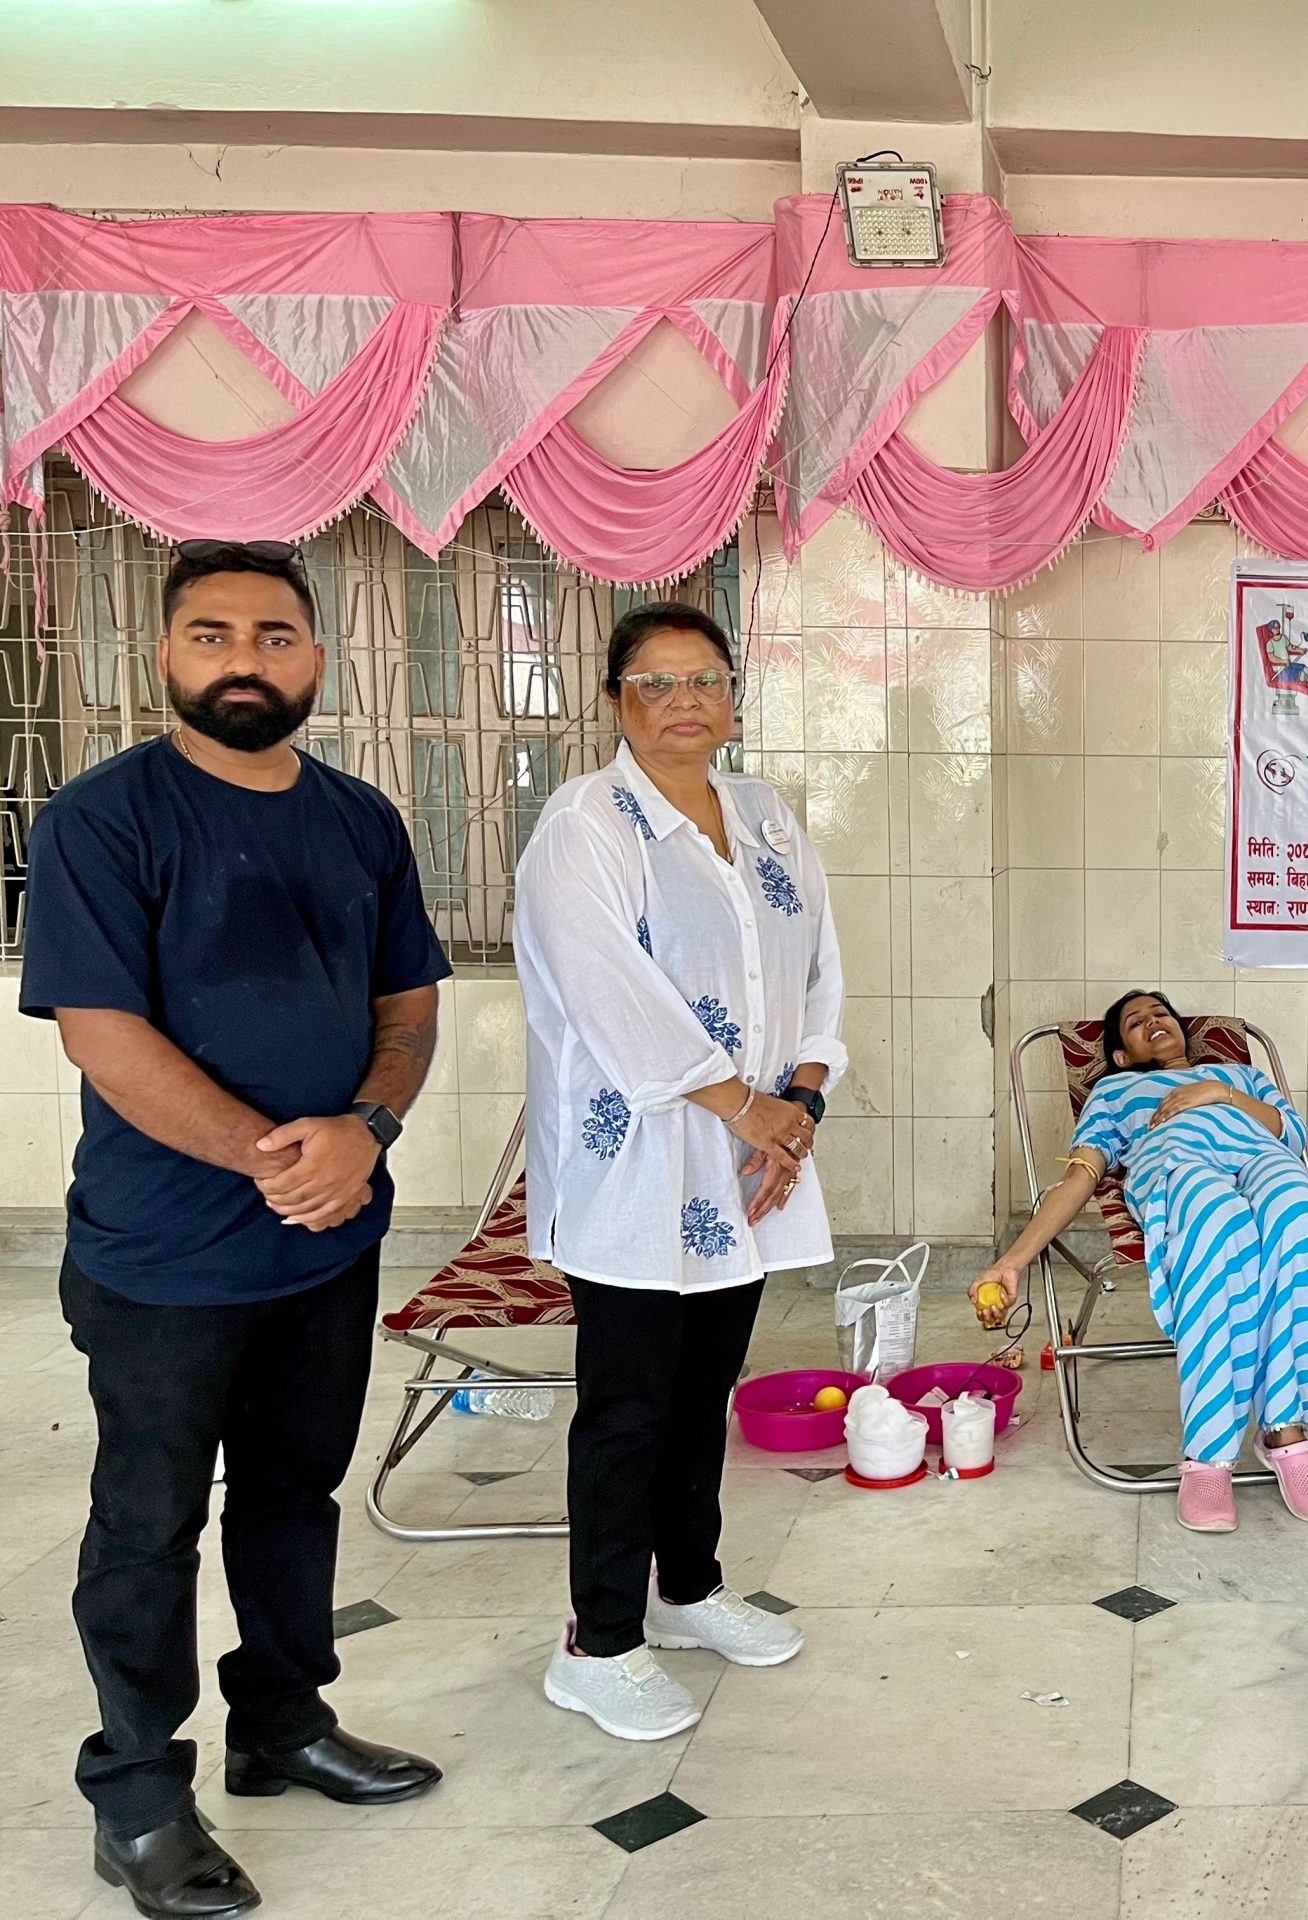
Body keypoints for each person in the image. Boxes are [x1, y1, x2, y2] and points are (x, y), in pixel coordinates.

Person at [24, 539, 450, 1919]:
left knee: (292, 1497)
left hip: (327, 1242)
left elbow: (407, 1006)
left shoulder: (361, 821)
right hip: (164, 1254)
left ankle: (282, 1725)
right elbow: (102, 1034)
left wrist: (364, 1132)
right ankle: (139, 1797)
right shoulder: (104, 820)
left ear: (316, 658)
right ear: (166, 655)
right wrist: (278, 1162)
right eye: (211, 635)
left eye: (273, 636)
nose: (244, 661)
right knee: (146, 1526)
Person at [517, 601, 845, 1744]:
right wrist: (751, 1111)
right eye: (653, 683)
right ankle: (598, 1642)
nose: (683, 701)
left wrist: (798, 1108)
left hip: (750, 1161)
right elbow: (612, 996)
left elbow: (818, 969)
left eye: (704, 678)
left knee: (704, 1391)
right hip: (636, 1166)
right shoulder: (586, 825)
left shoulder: (763, 814)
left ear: (734, 697)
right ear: (616, 699)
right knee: (627, 1407)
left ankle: (688, 1589)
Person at [975, 989, 1308, 1531]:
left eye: (1160, 1013)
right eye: (1135, 1022)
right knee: (1218, 1227)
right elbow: (1082, 1175)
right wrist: (1013, 1261)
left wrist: (1219, 1092)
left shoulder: (1240, 1076)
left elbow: (1290, 1134)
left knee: (1297, 1224)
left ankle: (1286, 1430)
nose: (1153, 1021)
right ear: (1122, 1055)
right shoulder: (1114, 1091)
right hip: (1179, 1166)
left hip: (1262, 1159)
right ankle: (1209, 1453)